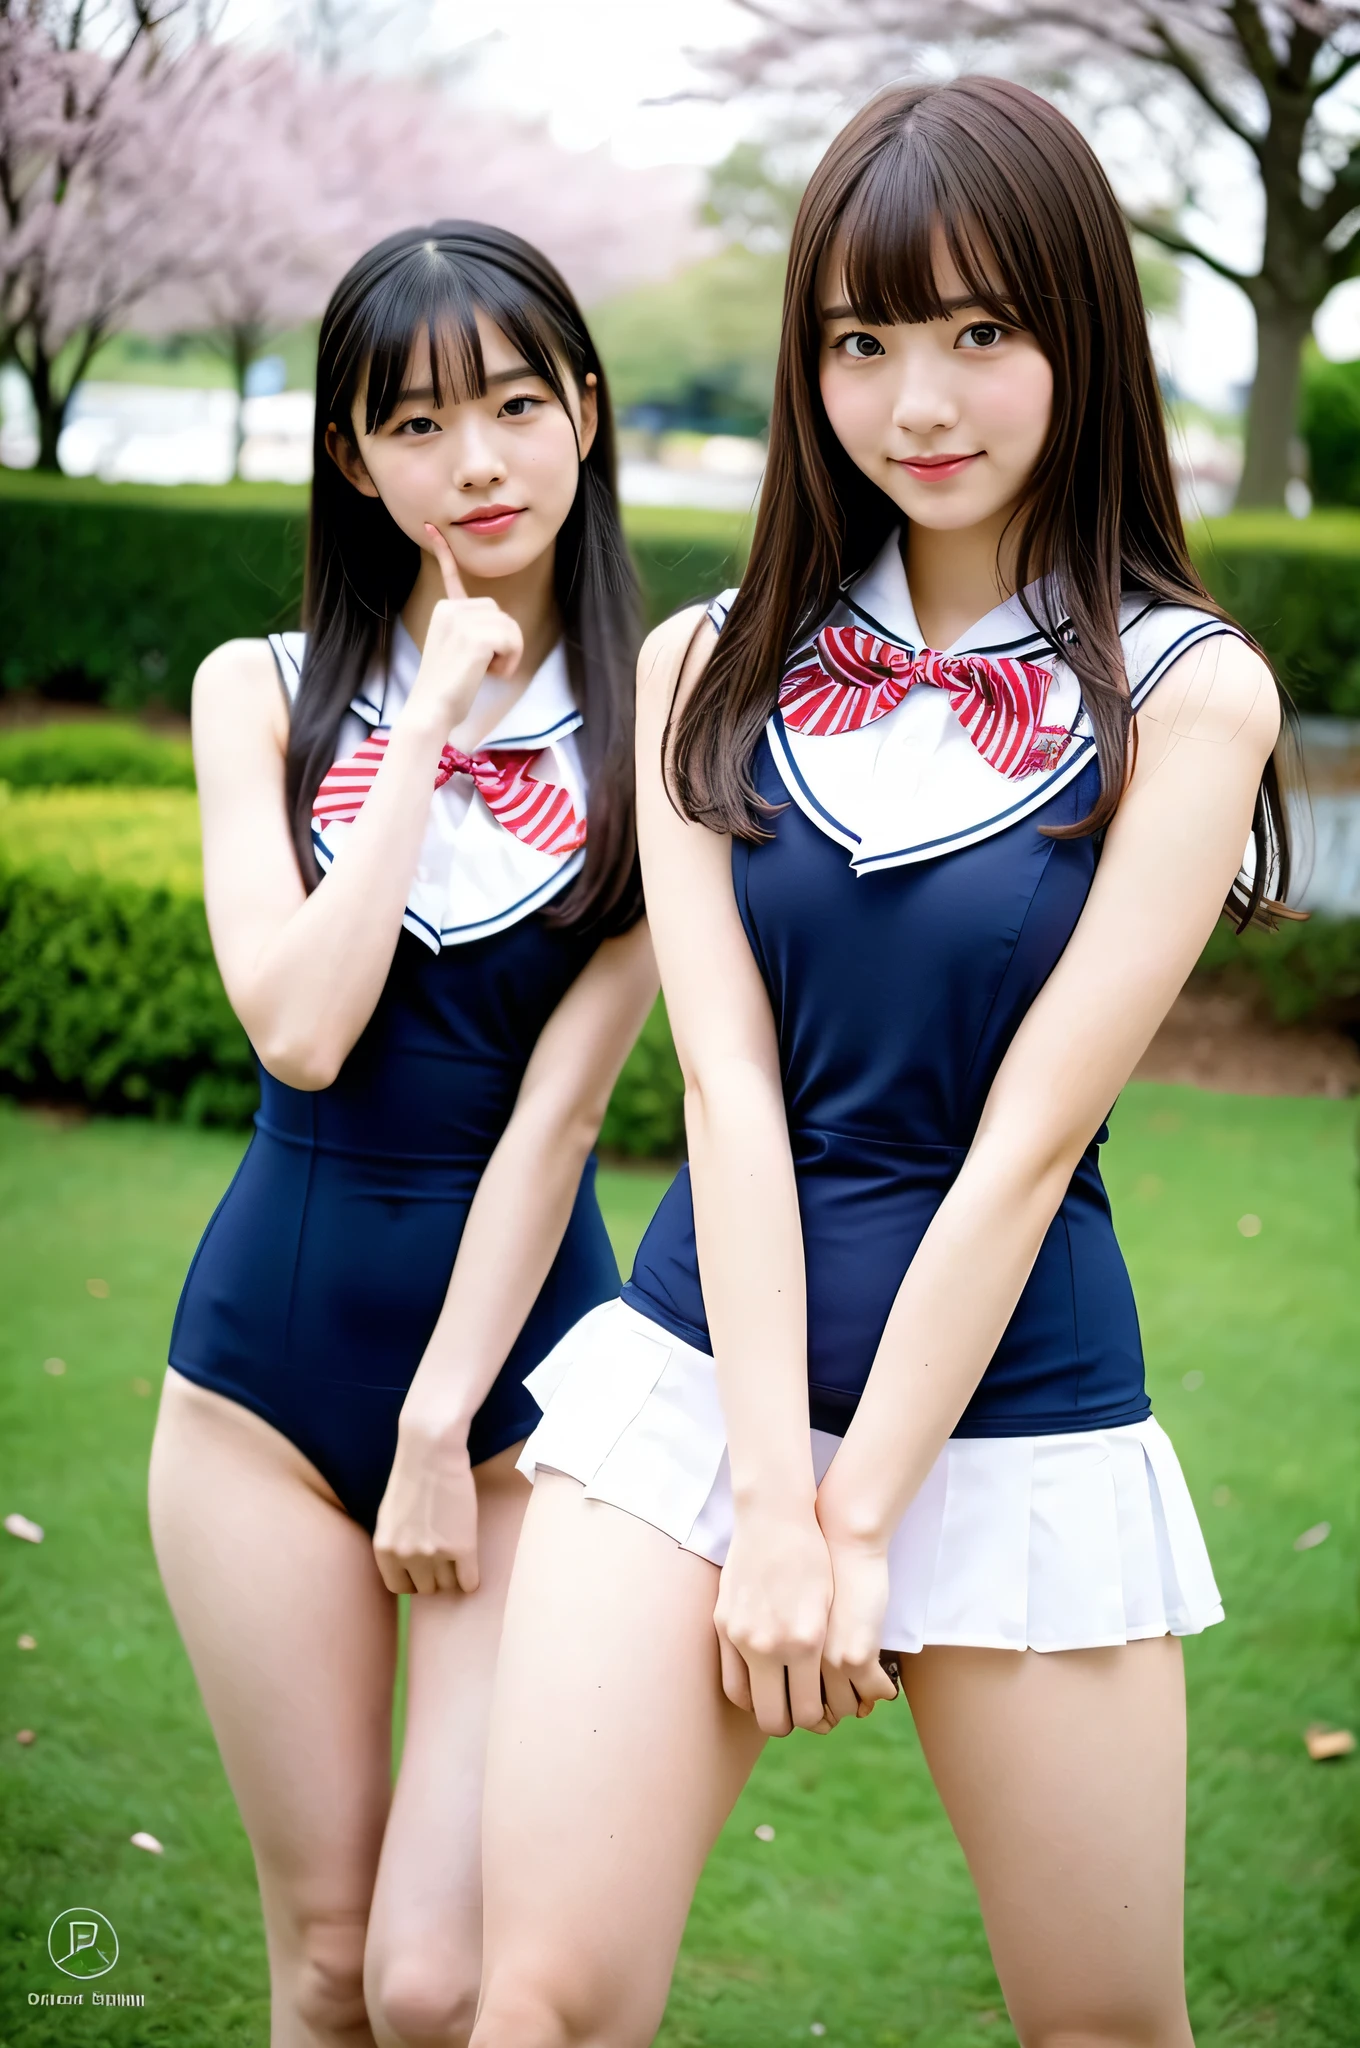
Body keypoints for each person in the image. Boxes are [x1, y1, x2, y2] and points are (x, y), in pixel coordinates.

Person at [467, 80, 1292, 2048]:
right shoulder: (701, 661)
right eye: (861, 340)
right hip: (694, 1400)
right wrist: (770, 1493)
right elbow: (728, 1096)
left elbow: (1022, 1146)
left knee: (1102, 2024)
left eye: (977, 331)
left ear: (1076, 336)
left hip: (1017, 1408)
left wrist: (851, 1521)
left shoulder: (1190, 694)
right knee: (535, 2003)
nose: (917, 399)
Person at [148, 221, 656, 2048]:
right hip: (257, 1402)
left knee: (443, 1980)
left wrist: (447, 1418)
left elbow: (568, 1111)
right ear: (354, 458)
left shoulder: (666, 725)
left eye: (519, 405)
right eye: (421, 424)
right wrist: (428, 721)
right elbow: (297, 1027)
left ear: (586, 416)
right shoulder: (255, 691)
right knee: (330, 1962)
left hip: (521, 1410)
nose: (480, 463)